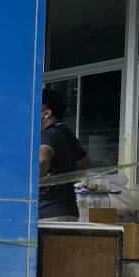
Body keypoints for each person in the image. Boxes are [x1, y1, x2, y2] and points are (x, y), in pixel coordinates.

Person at [39, 87, 90, 221]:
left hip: (47, 212)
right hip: (67, 211)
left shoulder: (48, 134)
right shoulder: (66, 133)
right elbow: (84, 165)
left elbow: (42, 161)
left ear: (47, 113)